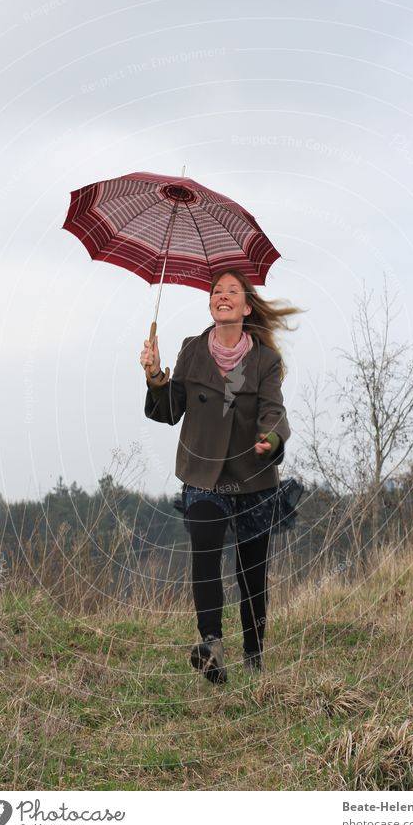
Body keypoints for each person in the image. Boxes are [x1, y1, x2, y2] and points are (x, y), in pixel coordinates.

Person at [140, 269, 301, 684]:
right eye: (216, 291)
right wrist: (156, 375)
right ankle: (211, 644)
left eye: (232, 291)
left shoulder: (265, 360)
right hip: (203, 476)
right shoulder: (192, 350)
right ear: (211, 305)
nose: (222, 295)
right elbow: (170, 409)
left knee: (252, 573)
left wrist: (271, 437)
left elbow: (274, 411)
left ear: (247, 307)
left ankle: (254, 655)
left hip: (253, 478)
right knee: (205, 548)